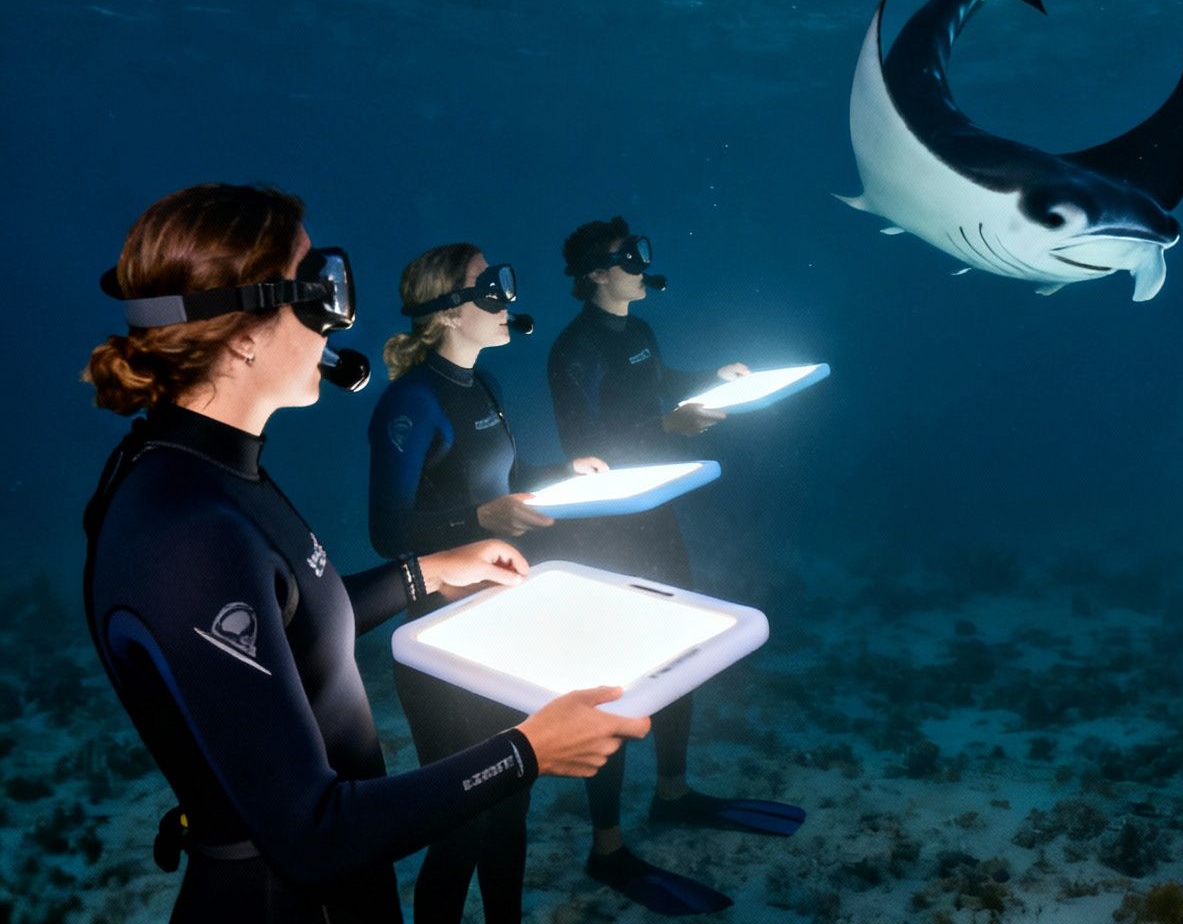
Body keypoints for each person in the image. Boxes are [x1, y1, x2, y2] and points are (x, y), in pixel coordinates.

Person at [82, 185, 649, 924]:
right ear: (242, 332)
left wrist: (428, 573)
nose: (337, 319)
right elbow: (314, 833)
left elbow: (291, 621)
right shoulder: (186, 531)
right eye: (319, 292)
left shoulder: (215, 473)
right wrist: (529, 750)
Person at [542, 216, 805, 916]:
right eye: (630, 258)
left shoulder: (639, 333)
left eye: (641, 254)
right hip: (605, 530)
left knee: (682, 649)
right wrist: (671, 428)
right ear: (598, 273)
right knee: (615, 680)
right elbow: (584, 445)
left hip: (657, 511)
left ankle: (674, 795)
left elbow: (657, 383)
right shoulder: (573, 349)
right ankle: (606, 847)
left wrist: (709, 380)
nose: (641, 265)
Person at [367, 244, 609, 924]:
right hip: (440, 641)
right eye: (489, 288)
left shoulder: (484, 385)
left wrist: (564, 470)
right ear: (447, 313)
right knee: (460, 822)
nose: (508, 299)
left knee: (512, 801)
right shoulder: (409, 402)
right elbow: (387, 530)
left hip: (502, 621)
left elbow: (503, 475)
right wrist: (478, 519)